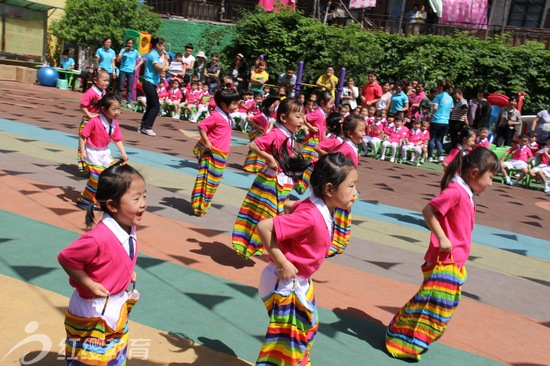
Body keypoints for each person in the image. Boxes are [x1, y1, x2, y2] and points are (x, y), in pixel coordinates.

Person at [386, 147, 500, 360]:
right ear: (474, 173)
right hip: (444, 258)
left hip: (454, 259)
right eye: (490, 177)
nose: (491, 183)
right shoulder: (456, 191)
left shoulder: (466, 192)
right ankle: (403, 339)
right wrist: (442, 237)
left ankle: (414, 336)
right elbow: (428, 211)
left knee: (441, 302)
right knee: (432, 301)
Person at [255, 152, 358, 365]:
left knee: (304, 332)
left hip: (300, 281)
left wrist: (292, 209)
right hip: (286, 283)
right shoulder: (310, 216)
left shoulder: (319, 207)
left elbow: (289, 205)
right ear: (329, 189)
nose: (356, 192)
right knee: (287, 345)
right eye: (351, 186)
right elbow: (263, 227)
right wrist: (283, 263)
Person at [58, 162, 144, 365]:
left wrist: (127, 271)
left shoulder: (128, 227)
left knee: (114, 353)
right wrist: (88, 283)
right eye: (136, 198)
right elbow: (66, 257)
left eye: (144, 196)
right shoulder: (98, 238)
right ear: (113, 206)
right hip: (94, 310)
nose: (143, 203)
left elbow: (118, 257)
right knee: (88, 359)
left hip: (115, 304)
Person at [232, 98, 310, 259]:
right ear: (283, 118)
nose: (302, 121)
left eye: (303, 117)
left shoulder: (290, 135)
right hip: (270, 181)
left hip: (283, 181)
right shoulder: (277, 133)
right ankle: (259, 247)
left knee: (274, 215)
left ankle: (263, 246)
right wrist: (270, 158)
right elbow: (254, 145)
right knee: (264, 214)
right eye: (298, 117)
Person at [191, 87, 241, 216]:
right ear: (224, 104)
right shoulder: (216, 116)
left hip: (222, 154)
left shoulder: (226, 115)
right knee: (206, 179)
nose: (237, 106)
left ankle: (205, 203)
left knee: (215, 180)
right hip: (213, 153)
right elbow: (201, 126)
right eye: (234, 103)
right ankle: (199, 206)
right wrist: (207, 142)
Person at [76, 93, 128, 209]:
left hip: (104, 152)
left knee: (111, 174)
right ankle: (85, 199)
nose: (117, 112)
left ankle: (100, 198)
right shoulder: (95, 122)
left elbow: (117, 139)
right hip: (93, 152)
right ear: (104, 109)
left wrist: (123, 153)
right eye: (114, 109)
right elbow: (83, 135)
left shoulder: (115, 124)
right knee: (96, 177)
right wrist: (83, 151)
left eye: (119, 109)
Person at [77, 69, 109, 174]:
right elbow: (82, 105)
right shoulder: (90, 92)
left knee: (95, 143)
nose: (107, 83)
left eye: (108, 81)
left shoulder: (103, 92)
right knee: (84, 143)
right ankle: (85, 166)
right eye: (104, 80)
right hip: (88, 121)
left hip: (98, 120)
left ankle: (96, 165)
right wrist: (89, 115)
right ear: (95, 80)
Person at [139, 37, 170, 137]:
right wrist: (165, 60)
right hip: (149, 82)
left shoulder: (155, 55)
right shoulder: (153, 54)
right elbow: (160, 69)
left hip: (151, 83)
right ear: (158, 45)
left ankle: (143, 126)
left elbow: (163, 68)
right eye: (163, 45)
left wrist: (164, 65)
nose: (163, 47)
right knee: (156, 106)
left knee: (150, 106)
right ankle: (148, 127)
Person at [243, 96, 280, 173]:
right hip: (259, 136)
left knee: (262, 152)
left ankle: (258, 167)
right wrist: (257, 126)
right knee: (255, 152)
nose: (272, 109)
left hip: (265, 136)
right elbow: (249, 119)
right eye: (271, 107)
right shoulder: (261, 115)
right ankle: (250, 166)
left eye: (273, 108)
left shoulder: (269, 117)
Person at [302, 90, 335, 160]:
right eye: (330, 103)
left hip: (319, 140)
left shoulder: (323, 113)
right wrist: (311, 128)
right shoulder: (317, 113)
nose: (332, 105)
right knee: (310, 160)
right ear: (322, 103)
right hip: (314, 140)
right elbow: (304, 117)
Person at [428, 81, 453, 162]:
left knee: (432, 138)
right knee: (439, 139)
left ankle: (430, 156)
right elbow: (451, 109)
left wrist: (431, 115)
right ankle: (440, 155)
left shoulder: (438, 96)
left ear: (441, 88)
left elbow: (435, 108)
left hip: (436, 119)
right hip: (445, 121)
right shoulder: (450, 98)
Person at [117, 38, 143, 109]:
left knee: (129, 87)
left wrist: (136, 66)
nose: (130, 45)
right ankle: (118, 101)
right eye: (128, 43)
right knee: (121, 86)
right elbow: (118, 60)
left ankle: (128, 102)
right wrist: (123, 52)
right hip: (123, 70)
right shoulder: (123, 50)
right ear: (126, 44)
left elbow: (141, 60)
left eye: (131, 43)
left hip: (131, 71)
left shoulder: (135, 52)